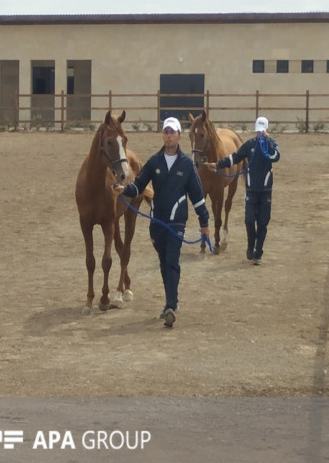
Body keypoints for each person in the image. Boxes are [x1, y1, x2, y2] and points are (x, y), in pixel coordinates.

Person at [113, 116, 210, 328]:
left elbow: (197, 197)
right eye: (165, 131)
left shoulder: (186, 165)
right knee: (164, 263)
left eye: (172, 132)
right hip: (157, 223)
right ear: (163, 135)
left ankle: (170, 306)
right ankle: (169, 302)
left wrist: (204, 223)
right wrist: (125, 189)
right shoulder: (154, 162)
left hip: (176, 224)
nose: (168, 135)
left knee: (172, 262)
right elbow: (139, 185)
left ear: (178, 135)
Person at [216, 116, 281, 265]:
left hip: (265, 191)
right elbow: (235, 157)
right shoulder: (249, 145)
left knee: (263, 222)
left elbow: (276, 156)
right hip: (251, 190)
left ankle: (258, 251)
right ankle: (251, 245)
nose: (259, 134)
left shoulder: (271, 145)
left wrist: (269, 141)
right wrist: (217, 164)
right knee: (249, 219)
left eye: (262, 131)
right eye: (258, 131)